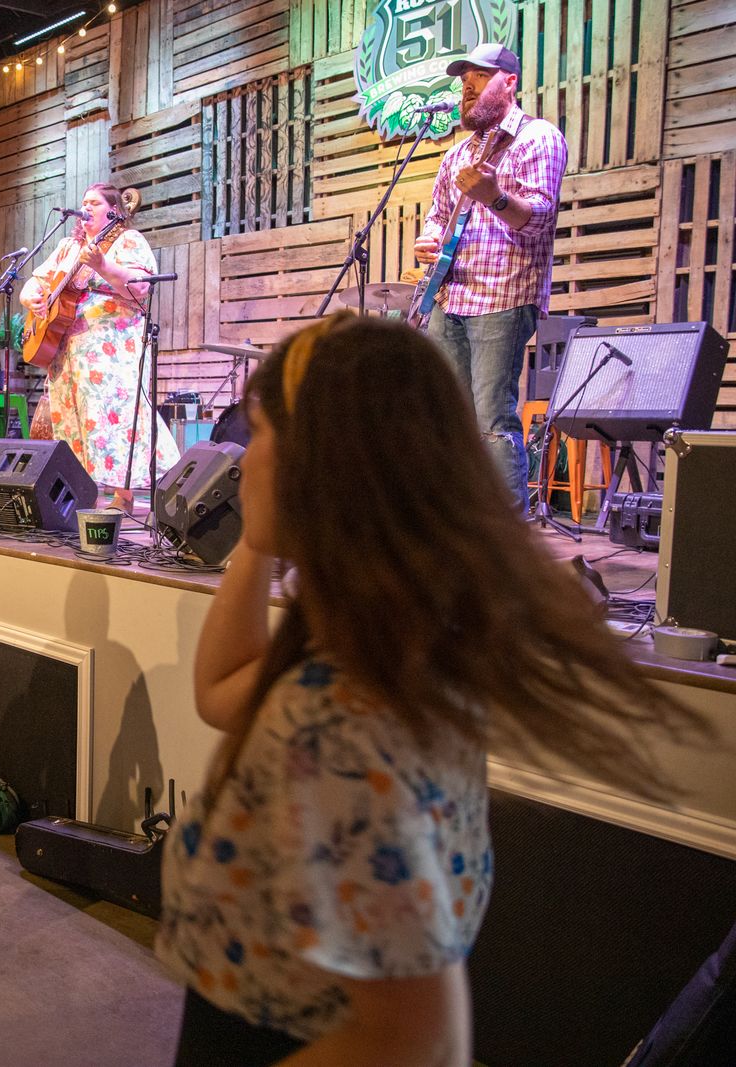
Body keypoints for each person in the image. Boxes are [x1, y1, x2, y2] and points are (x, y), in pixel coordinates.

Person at [156, 314, 704, 1064]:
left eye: (258, 436)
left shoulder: (343, 725)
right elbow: (221, 690)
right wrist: (258, 536)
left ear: (322, 465)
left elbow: (413, 1038)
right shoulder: (379, 640)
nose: (239, 461)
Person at [413, 42, 568, 504]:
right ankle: (460, 523)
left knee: (492, 420)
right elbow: (438, 215)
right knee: (448, 419)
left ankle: (507, 533)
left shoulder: (538, 138)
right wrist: (428, 239)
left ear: (509, 82)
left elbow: (539, 218)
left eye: (480, 77)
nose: (468, 87)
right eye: (465, 80)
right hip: (449, 297)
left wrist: (494, 196)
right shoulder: (457, 154)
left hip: (502, 296)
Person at [20, 182, 179, 513]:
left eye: (94, 202)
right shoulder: (68, 246)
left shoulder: (128, 241)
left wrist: (103, 265)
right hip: (67, 348)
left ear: (113, 209)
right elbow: (37, 280)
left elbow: (141, 288)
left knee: (112, 416)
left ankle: (124, 495)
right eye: (84, 201)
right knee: (71, 419)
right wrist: (29, 297)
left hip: (111, 348)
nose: (86, 207)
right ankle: (85, 494)